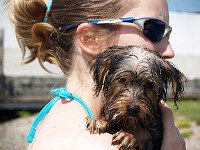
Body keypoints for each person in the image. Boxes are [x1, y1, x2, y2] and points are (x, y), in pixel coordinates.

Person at [9, 0, 186, 149]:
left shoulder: (58, 117)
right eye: (154, 29)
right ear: (90, 39)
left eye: (167, 35)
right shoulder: (96, 145)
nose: (169, 51)